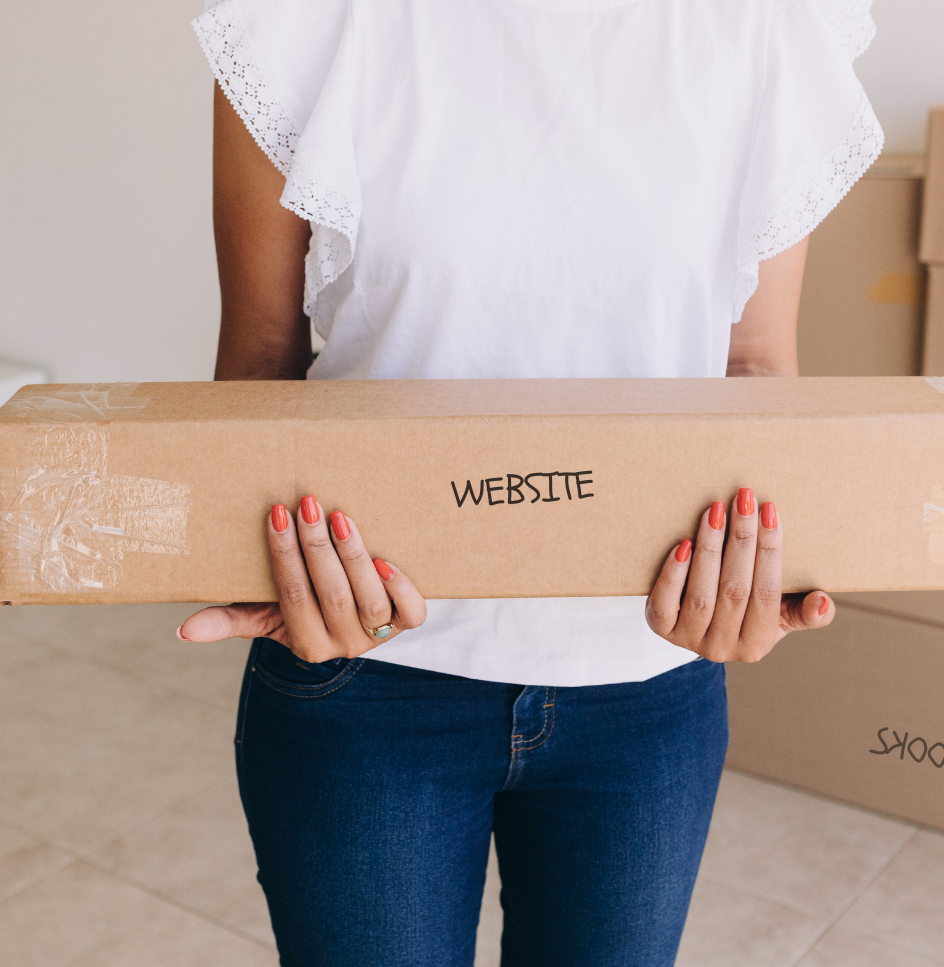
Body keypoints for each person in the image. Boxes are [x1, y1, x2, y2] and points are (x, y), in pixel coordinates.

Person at [180, 0, 883, 963]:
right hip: (366, 674)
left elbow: (756, 370)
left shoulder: (762, 24)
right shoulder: (309, 19)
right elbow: (258, 362)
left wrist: (758, 564)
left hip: (646, 687)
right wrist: (255, 558)